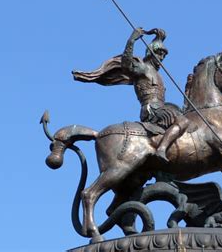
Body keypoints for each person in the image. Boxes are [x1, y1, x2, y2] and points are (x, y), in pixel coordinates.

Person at [72, 28, 189, 163]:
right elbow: (126, 65)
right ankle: (161, 149)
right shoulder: (143, 67)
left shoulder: (158, 75)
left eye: (164, 55)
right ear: (151, 53)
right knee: (183, 121)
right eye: (159, 54)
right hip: (152, 109)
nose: (162, 58)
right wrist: (131, 41)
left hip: (162, 108)